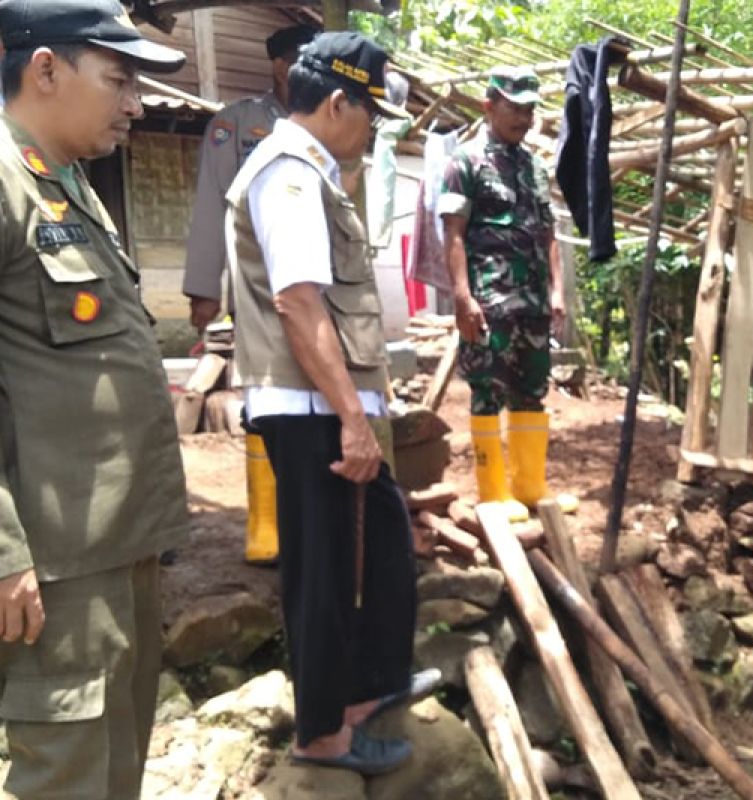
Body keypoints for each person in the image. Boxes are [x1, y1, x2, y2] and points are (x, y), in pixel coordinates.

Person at [225, 31, 437, 774]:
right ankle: (322, 735)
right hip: (311, 409)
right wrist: (352, 418)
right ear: (338, 100)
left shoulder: (313, 171)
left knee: (378, 551)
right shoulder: (288, 173)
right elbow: (298, 302)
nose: (375, 128)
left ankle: (364, 690)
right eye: (370, 112)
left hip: (327, 406)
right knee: (323, 572)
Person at [0, 1, 191, 796]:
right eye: (117, 79)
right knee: (64, 777)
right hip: (53, 565)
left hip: (115, 548)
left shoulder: (68, 187)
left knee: (116, 767)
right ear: (45, 69)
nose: (135, 103)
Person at [440, 66, 576, 522]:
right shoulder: (465, 162)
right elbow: (454, 234)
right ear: (489, 105)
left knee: (532, 388)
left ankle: (529, 485)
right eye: (515, 107)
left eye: (531, 108)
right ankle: (493, 491)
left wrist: (557, 290)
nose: (525, 117)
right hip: (489, 298)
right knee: (487, 389)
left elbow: (549, 232)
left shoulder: (535, 166)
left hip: (533, 300)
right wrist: (462, 297)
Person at [181, 23, 315, 332]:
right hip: (257, 283)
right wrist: (204, 288)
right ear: (282, 68)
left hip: (317, 282)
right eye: (306, 64)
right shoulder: (237, 122)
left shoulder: (325, 124)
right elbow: (212, 201)